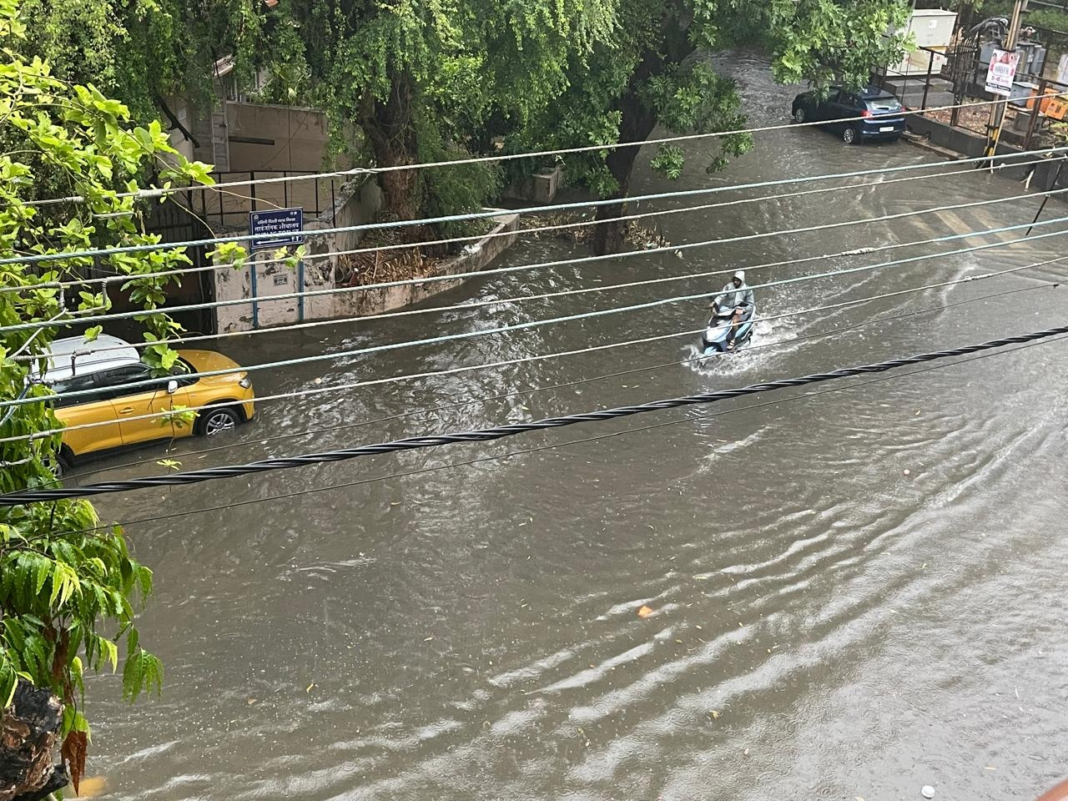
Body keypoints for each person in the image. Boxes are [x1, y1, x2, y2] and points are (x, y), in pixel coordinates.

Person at [710, 270, 754, 350]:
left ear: (741, 280)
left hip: (740, 309)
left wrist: (743, 310)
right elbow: (721, 296)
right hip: (727, 308)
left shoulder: (748, 289)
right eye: (734, 280)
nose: (735, 282)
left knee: (735, 320)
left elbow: (751, 304)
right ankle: (710, 335)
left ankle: (732, 340)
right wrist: (715, 302)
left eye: (737, 280)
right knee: (715, 315)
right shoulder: (728, 286)